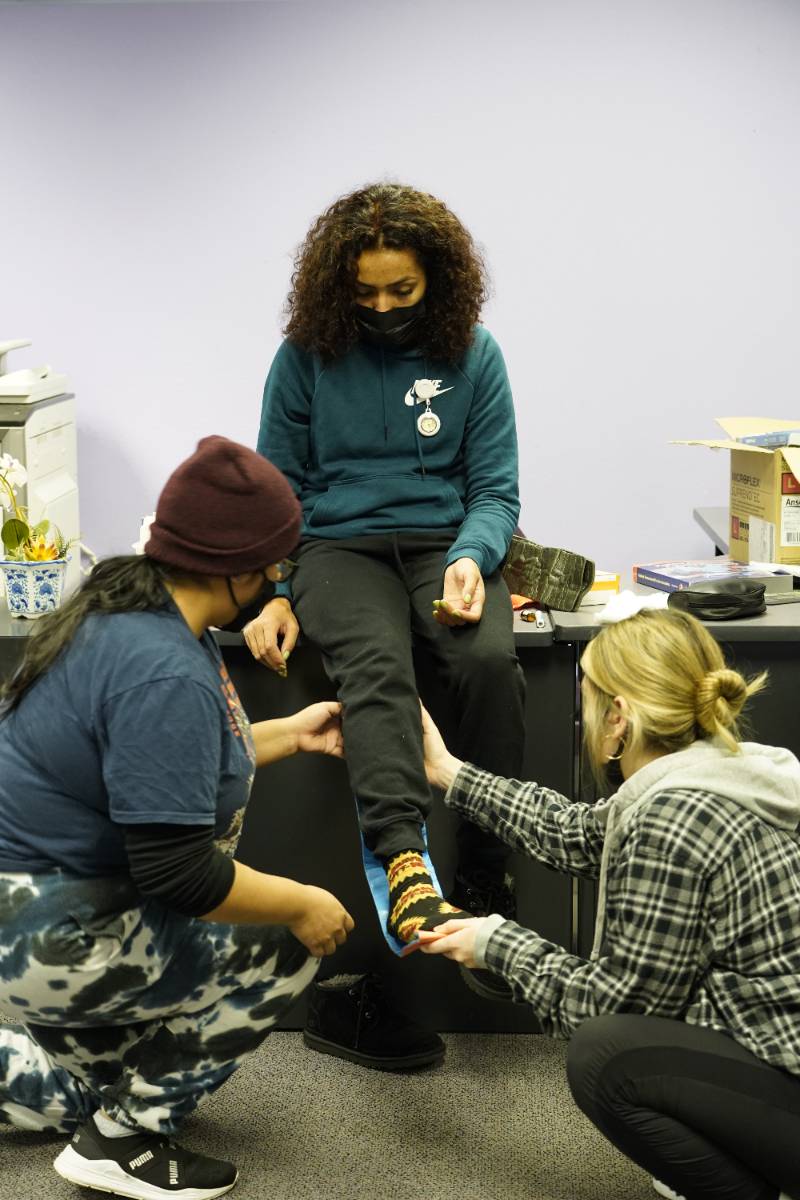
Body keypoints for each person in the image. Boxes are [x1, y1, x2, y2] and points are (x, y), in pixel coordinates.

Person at [0, 435, 354, 1200]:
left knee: (99, 1095)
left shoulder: (131, 612)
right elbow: (179, 870)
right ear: (234, 568)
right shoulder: (161, 669)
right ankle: (122, 1146)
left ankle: (71, 1096)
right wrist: (302, 901)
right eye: (274, 565)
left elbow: (166, 771)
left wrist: (292, 733)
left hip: (41, 909)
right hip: (55, 930)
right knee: (283, 937)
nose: (276, 579)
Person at [246, 182, 527, 1059]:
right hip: (337, 550)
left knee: (483, 661)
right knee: (375, 664)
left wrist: (473, 558)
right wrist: (278, 587)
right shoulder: (304, 356)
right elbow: (277, 491)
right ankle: (407, 864)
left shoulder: (474, 353)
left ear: (435, 281)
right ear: (338, 287)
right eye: (364, 294)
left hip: (440, 542)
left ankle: (486, 863)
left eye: (399, 292)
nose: (380, 308)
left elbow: (497, 491)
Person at [416, 604, 800, 1200]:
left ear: (619, 719)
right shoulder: (725, 773)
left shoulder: (673, 819)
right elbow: (575, 833)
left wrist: (496, 944)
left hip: (787, 1079)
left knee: (605, 1058)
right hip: (778, 1046)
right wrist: (449, 773)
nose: (583, 715)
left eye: (588, 698)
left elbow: (610, 1008)